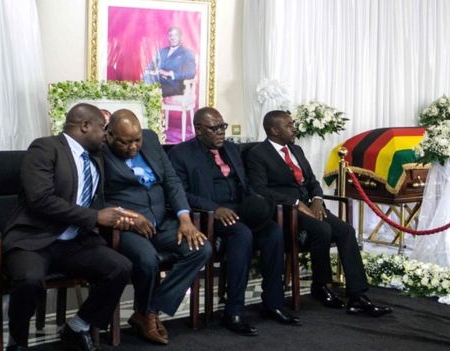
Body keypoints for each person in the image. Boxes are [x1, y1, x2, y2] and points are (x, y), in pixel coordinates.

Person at [2, 103, 137, 351]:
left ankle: (78, 325)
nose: (106, 135)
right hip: (34, 239)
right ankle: (17, 341)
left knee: (120, 267)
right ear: (85, 126)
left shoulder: (96, 157)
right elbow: (40, 199)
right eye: (103, 128)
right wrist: (95, 217)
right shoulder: (45, 148)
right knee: (30, 280)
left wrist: (117, 215)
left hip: (75, 242)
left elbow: (95, 199)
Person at [246, 110, 393, 318]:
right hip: (284, 211)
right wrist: (296, 203)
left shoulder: (295, 149)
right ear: (274, 130)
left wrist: (317, 200)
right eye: (289, 125)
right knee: (322, 229)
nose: (294, 128)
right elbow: (260, 189)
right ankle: (320, 285)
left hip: (310, 205)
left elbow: (313, 182)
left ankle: (358, 296)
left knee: (345, 230)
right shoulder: (258, 154)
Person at [168, 107, 301, 337]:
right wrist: (214, 209)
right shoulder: (181, 154)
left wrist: (256, 202)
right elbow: (181, 193)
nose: (221, 132)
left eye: (223, 127)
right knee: (242, 234)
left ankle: (273, 303)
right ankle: (234, 311)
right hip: (209, 214)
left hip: (239, 209)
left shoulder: (231, 148)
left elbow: (245, 184)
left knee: (273, 232)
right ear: (198, 129)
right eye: (214, 128)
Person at [102, 109, 212, 344]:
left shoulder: (150, 139)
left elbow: (172, 181)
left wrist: (184, 218)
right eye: (125, 142)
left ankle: (149, 311)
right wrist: (128, 218)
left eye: (136, 140)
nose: (133, 147)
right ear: (109, 135)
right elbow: (97, 198)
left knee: (200, 248)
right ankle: (147, 315)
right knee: (147, 259)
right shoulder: (98, 150)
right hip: (127, 227)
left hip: (162, 222)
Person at [142, 26, 196, 97]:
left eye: (176, 35)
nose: (173, 38)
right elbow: (150, 66)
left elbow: (191, 73)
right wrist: (154, 72)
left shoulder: (187, 53)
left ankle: (149, 96)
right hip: (159, 82)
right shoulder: (162, 51)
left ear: (180, 36)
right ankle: (148, 96)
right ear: (168, 37)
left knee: (151, 91)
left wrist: (169, 74)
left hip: (174, 85)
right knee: (147, 78)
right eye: (170, 35)